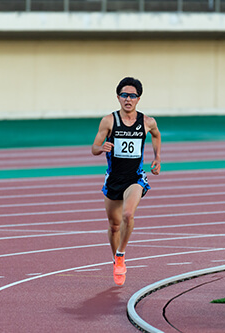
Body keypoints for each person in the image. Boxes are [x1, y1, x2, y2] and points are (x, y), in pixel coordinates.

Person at [91, 77, 161, 286]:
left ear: (138, 98)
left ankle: (121, 254)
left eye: (132, 96)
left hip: (135, 178)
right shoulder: (109, 121)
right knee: (114, 226)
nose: (128, 99)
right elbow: (94, 147)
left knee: (128, 215)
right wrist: (101, 148)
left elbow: (156, 135)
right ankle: (116, 260)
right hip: (113, 179)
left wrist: (157, 157)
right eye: (124, 95)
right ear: (118, 97)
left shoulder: (147, 122)